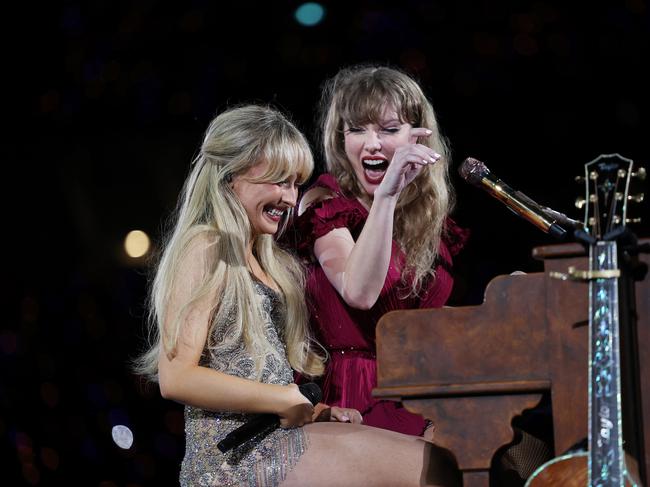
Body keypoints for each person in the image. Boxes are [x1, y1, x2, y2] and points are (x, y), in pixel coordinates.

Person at [135, 104, 460, 486]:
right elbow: (177, 378)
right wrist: (281, 400)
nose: (290, 199)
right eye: (278, 181)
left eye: (294, 184)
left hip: (275, 439)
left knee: (445, 456)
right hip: (236, 460)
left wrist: (315, 410)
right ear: (230, 176)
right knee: (436, 469)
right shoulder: (206, 245)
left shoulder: (266, 259)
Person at [293, 65, 469, 438]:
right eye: (357, 129)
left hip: (422, 397)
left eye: (388, 130)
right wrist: (386, 195)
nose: (372, 144)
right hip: (352, 399)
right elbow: (359, 291)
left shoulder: (426, 221)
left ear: (418, 137)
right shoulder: (325, 203)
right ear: (341, 139)